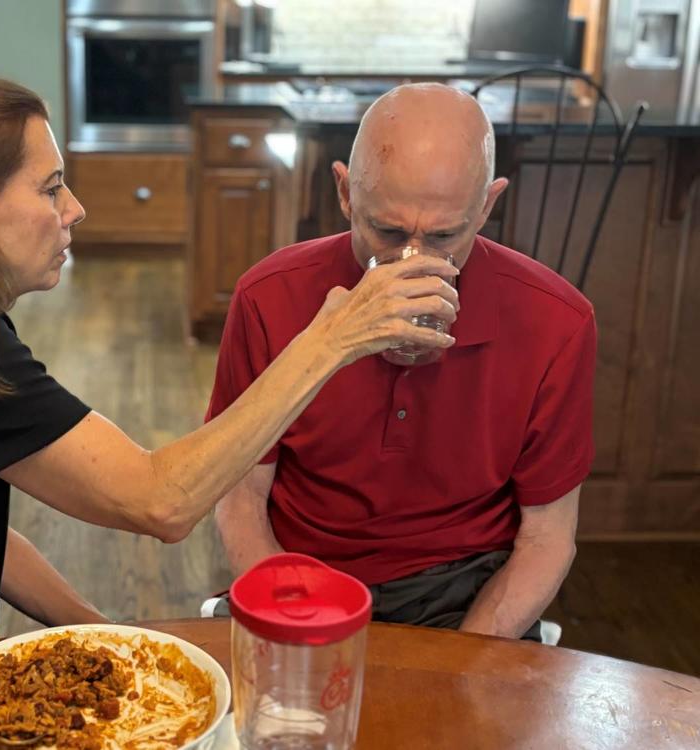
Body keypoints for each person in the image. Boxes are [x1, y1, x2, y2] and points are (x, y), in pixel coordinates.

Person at [0, 74, 459, 715]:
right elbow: (161, 501)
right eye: (51, 186)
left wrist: (107, 633)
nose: (75, 210)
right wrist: (331, 339)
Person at [208, 83, 595, 642]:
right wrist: (295, 621)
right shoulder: (268, 298)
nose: (413, 260)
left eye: (445, 236)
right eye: (386, 232)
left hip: (465, 586)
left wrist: (461, 662)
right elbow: (241, 498)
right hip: (302, 569)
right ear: (345, 193)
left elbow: (548, 536)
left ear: (487, 206)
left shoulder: (557, 321)